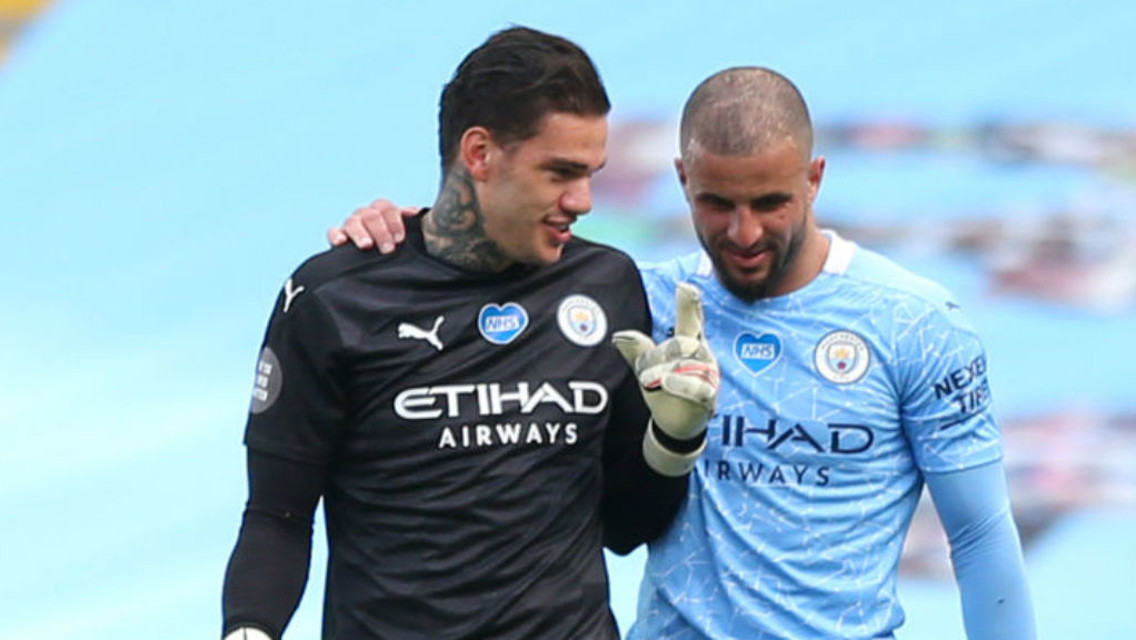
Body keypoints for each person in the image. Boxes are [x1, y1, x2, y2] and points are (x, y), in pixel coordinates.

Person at [331, 67, 1037, 639]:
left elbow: (976, 534)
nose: (743, 231)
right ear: (680, 180)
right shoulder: (632, 301)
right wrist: (406, 229)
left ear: (815, 178)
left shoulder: (915, 323)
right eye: (716, 203)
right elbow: (480, 267)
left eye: (771, 202)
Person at [221, 26, 719, 640]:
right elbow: (277, 516)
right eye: (560, 172)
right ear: (479, 154)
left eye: (592, 173)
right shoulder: (335, 297)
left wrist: (674, 439)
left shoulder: (607, 287)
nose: (584, 200)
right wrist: (248, 631)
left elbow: (623, 527)